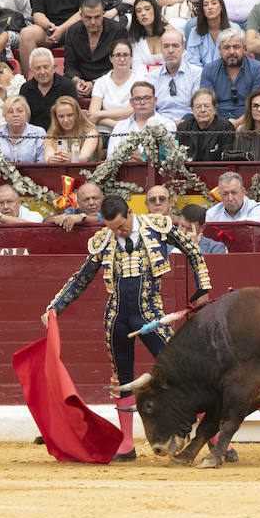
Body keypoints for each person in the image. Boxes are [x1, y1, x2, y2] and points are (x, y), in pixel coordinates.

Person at [44, 192, 212, 461]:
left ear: (130, 213)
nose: (118, 233)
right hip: (116, 318)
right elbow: (82, 277)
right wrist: (56, 306)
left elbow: (192, 250)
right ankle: (125, 444)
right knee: (121, 379)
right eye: (112, 229)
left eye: (122, 227)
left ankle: (214, 437)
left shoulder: (156, 227)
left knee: (184, 372)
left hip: (150, 315)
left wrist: (203, 287)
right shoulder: (105, 240)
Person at [198, 27, 260, 122]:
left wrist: (235, 125)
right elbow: (206, 104)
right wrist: (221, 126)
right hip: (216, 122)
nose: (231, 52)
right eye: (226, 47)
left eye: (236, 47)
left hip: (249, 121)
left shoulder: (258, 69)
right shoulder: (209, 70)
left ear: (245, 48)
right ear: (219, 50)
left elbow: (257, 106)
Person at [106, 80, 177, 156]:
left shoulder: (167, 125)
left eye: (147, 98)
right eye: (137, 98)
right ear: (131, 102)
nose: (142, 102)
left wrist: (142, 159)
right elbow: (111, 156)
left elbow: (166, 157)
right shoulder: (120, 126)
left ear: (155, 100)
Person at [89, 38, 142, 134]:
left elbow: (130, 112)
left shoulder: (139, 80)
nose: (122, 59)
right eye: (118, 55)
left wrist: (100, 114)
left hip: (131, 131)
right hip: (104, 131)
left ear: (131, 57)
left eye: (125, 55)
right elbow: (92, 115)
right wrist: (117, 125)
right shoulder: (101, 82)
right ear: (111, 58)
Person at [148, 28, 201, 122]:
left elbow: (198, 107)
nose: (171, 50)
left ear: (183, 48)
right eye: (166, 46)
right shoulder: (152, 77)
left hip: (190, 125)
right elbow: (149, 110)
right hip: (160, 127)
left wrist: (178, 125)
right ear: (161, 49)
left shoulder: (197, 74)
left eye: (175, 46)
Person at [21, 48, 79, 131]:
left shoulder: (67, 87)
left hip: (61, 135)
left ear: (53, 68)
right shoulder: (26, 89)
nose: (42, 72)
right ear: (31, 71)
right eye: (37, 68)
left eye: (46, 67)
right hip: (34, 138)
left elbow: (74, 118)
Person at [177, 87, 235, 160]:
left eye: (207, 106)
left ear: (214, 109)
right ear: (192, 110)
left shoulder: (226, 127)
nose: (203, 110)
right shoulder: (183, 128)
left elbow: (227, 159)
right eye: (198, 107)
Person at [44, 93, 101, 163]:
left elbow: (85, 156)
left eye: (70, 115)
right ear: (56, 117)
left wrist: (73, 159)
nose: (66, 120)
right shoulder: (51, 133)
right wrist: (51, 159)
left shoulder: (90, 131)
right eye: (61, 116)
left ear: (77, 114)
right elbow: (48, 156)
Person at [0, 95, 46, 163]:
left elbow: (42, 162)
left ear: (27, 114)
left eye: (20, 111)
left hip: (32, 173)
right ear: (4, 116)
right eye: (10, 111)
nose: (15, 114)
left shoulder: (39, 133)